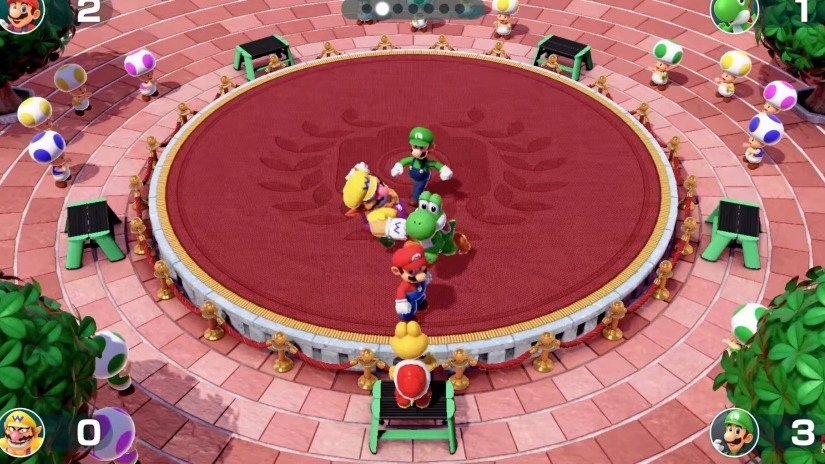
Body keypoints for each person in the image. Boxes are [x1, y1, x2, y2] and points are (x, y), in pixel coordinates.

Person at [391, 127, 453, 206]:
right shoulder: (412, 160)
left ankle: (415, 199)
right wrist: (398, 167)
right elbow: (404, 161)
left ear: (429, 148)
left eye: (421, 148)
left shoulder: (427, 163)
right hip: (413, 178)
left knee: (418, 188)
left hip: (422, 179)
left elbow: (435, 164)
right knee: (416, 186)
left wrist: (444, 170)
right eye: (415, 146)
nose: (417, 151)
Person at [391, 242, 431, 321]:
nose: (421, 275)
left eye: (420, 268)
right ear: (396, 271)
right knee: (411, 308)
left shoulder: (421, 278)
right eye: (411, 272)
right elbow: (400, 291)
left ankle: (420, 303)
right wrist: (401, 302)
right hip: (411, 299)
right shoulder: (406, 285)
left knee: (421, 297)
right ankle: (407, 318)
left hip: (420, 294)